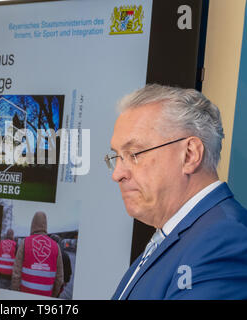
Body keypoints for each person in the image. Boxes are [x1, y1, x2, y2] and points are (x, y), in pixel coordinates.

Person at [106, 84, 247, 300]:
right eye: (117, 156)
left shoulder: (224, 238)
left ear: (189, 155)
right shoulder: (178, 234)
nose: (117, 174)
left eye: (134, 154)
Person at [11, 211, 64, 297]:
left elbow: (16, 273)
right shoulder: (56, 246)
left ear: (32, 224)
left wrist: (14, 292)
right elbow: (59, 278)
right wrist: (53, 295)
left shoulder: (25, 243)